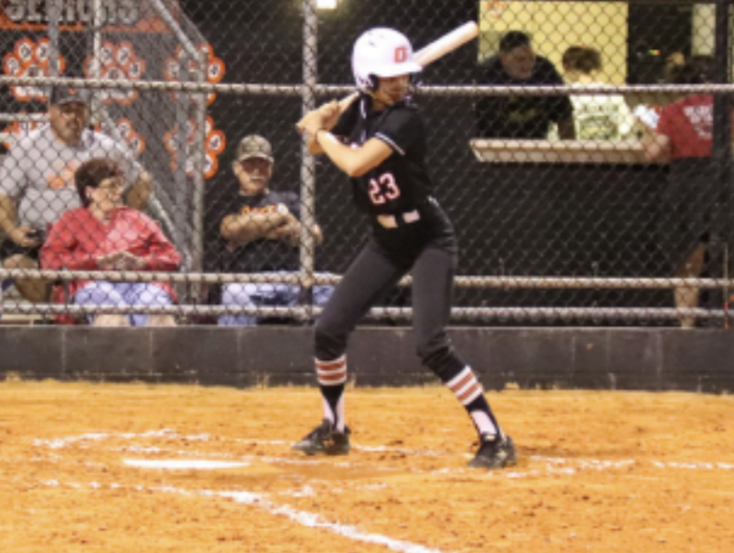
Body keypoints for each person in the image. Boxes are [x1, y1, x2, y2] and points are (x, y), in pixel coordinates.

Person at [294, 27, 516, 469]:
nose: (400, 83)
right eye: (389, 76)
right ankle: (333, 430)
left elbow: (353, 161)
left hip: (428, 236)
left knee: (431, 344)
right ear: (366, 78)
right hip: (387, 240)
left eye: (403, 75)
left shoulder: (406, 119)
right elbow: (316, 146)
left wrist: (323, 132)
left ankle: (496, 437)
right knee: (328, 330)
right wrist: (321, 125)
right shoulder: (357, 109)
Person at [0, 86, 152, 303]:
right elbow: (3, 196)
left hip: (91, 238)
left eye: (78, 110)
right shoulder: (27, 147)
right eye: (65, 110)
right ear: (50, 111)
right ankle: (59, 309)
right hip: (41, 237)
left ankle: (79, 306)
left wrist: (124, 222)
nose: (72, 117)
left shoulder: (103, 145)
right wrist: (13, 231)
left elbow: (141, 180)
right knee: (15, 263)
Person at [643, 60, 733, 328]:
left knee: (687, 259)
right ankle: (728, 320)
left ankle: (686, 327)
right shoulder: (723, 106)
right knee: (726, 255)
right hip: (724, 177)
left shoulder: (674, 110)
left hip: (688, 179)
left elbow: (653, 153)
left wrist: (648, 130)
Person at [40, 158, 179, 327]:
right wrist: (96, 262)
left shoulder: (136, 218)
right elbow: (50, 260)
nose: (118, 193)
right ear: (90, 192)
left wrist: (141, 262)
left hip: (141, 280)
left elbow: (172, 256)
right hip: (93, 282)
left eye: (120, 185)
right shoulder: (72, 220)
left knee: (160, 318)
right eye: (111, 187)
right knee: (112, 319)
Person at [217, 134, 331, 326]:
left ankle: (324, 354)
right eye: (249, 164)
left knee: (330, 289)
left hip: (294, 277)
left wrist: (255, 232)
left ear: (271, 167)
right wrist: (280, 216)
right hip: (248, 281)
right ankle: (232, 355)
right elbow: (231, 229)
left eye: (262, 164)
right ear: (237, 168)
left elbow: (315, 234)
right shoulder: (228, 202)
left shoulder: (289, 198)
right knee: (234, 295)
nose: (256, 171)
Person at [475, 30, 575, 140]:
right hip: (493, 142)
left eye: (531, 58)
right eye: (520, 59)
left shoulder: (544, 70)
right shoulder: (487, 73)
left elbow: (564, 115)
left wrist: (569, 150)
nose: (528, 65)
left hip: (535, 141)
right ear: (504, 59)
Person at [560, 46, 642, 141]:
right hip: (609, 148)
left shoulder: (568, 95)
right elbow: (626, 128)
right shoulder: (612, 93)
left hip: (578, 150)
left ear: (568, 68)